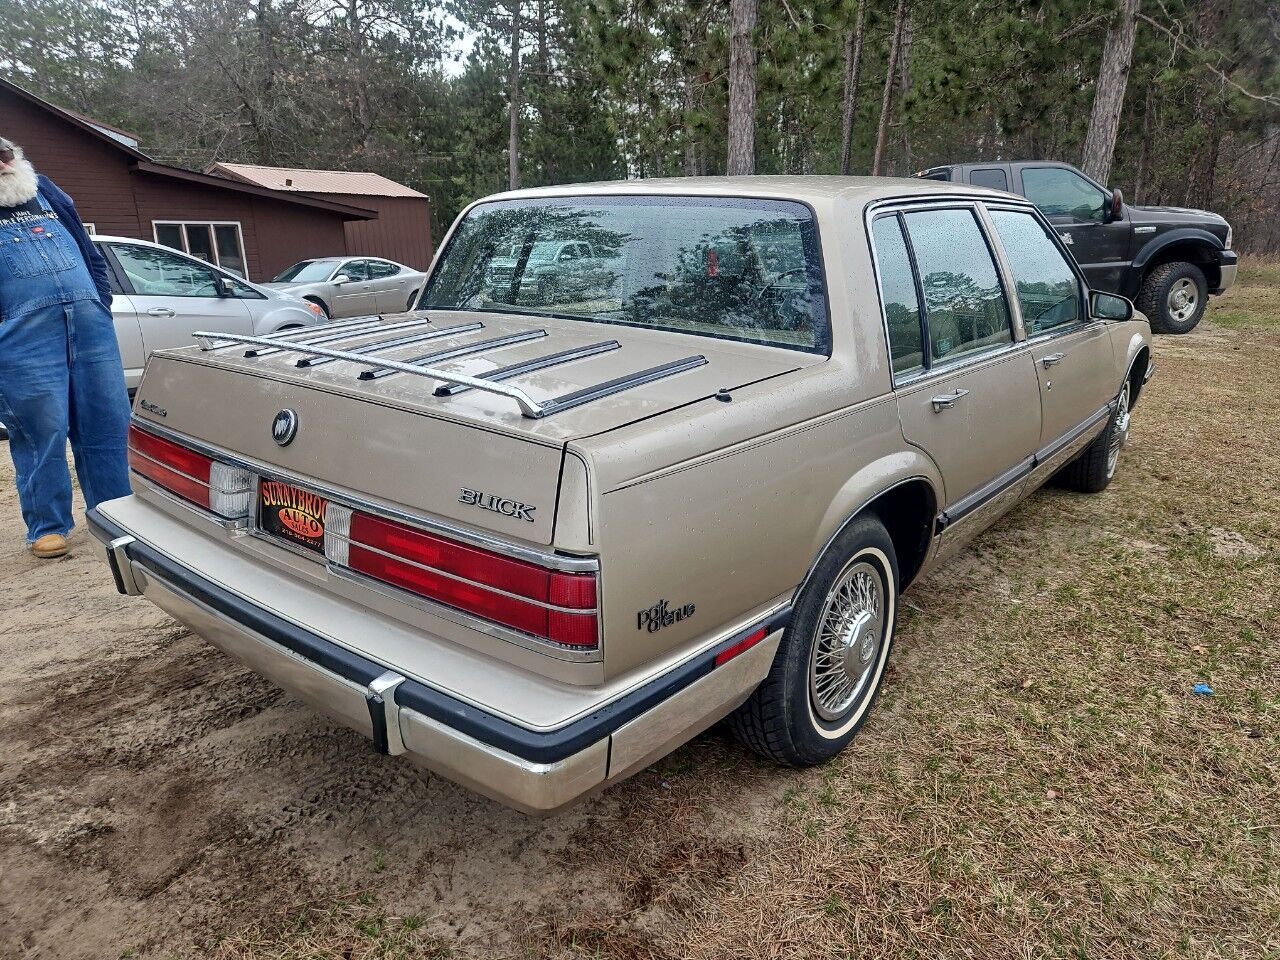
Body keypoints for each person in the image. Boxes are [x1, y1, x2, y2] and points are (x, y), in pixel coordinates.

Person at [0, 135, 131, 558]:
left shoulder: (47, 191)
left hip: (91, 326)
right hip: (22, 338)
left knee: (107, 421)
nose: (4, 163)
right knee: (41, 431)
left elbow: (90, 255)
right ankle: (47, 526)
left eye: (8, 155)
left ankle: (116, 512)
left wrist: (101, 304)